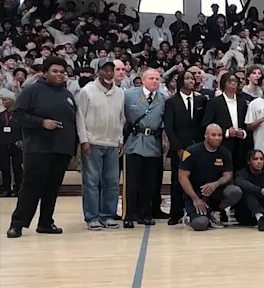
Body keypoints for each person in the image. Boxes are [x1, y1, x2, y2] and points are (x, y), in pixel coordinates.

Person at [6, 57, 77, 239]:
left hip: (61, 149)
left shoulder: (67, 94)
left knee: (52, 188)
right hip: (39, 148)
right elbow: (18, 115)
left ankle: (46, 222)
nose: (59, 74)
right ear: (45, 73)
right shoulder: (33, 91)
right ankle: (17, 224)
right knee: (31, 187)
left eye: (62, 72)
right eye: (55, 71)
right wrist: (41, 122)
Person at [75, 58, 125, 230]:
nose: (109, 73)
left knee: (111, 182)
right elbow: (79, 116)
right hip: (92, 142)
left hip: (112, 143)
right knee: (91, 181)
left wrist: (120, 139)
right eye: (105, 70)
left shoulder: (120, 92)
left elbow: (121, 119)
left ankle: (107, 215)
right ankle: (92, 217)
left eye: (111, 70)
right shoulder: (87, 91)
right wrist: (84, 140)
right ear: (98, 71)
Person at [121, 68, 167, 229]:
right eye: (151, 78)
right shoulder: (128, 95)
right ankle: (128, 215)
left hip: (153, 144)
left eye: (157, 79)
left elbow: (164, 122)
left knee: (149, 183)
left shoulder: (162, 99)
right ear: (143, 79)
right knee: (131, 183)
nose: (155, 81)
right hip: (133, 142)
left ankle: (145, 214)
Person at [178, 124, 243, 231]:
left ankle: (215, 212)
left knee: (235, 191)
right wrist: (196, 199)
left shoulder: (225, 153)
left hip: (215, 193)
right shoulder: (191, 151)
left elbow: (228, 174)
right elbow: (182, 177)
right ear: (205, 135)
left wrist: (215, 184)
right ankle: (190, 214)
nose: (217, 138)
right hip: (195, 195)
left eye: (219, 135)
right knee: (200, 224)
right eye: (213, 135)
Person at [164, 70, 207, 224]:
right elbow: (169, 127)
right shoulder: (171, 102)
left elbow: (203, 124)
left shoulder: (202, 100)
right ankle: (175, 213)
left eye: (193, 78)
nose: (191, 80)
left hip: (198, 147)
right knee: (177, 180)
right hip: (180, 147)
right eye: (187, 78)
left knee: (196, 178)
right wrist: (178, 148)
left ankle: (197, 209)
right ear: (181, 81)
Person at [202, 72, 251, 171]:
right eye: (230, 81)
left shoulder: (242, 102)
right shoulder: (214, 102)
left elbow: (246, 123)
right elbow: (207, 124)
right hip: (222, 144)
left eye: (235, 81)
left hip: (239, 144)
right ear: (224, 83)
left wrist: (243, 133)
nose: (233, 84)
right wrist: (226, 132)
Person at [233, 149, 264, 231]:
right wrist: (261, 191)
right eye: (255, 159)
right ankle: (259, 217)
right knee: (248, 192)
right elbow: (240, 183)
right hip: (247, 214)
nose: (259, 162)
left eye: (261, 159)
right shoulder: (241, 173)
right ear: (249, 162)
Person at [0, 89, 22, 197]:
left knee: (17, 167)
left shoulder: (18, 114)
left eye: (6, 100)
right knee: (4, 167)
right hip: (3, 144)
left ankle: (19, 188)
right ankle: (6, 188)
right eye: (3, 100)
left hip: (16, 144)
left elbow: (22, 128)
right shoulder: (1, 115)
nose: (4, 102)